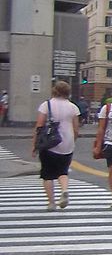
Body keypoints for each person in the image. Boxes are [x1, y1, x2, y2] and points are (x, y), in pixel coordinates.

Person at [31, 80, 80, 211]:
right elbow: (76, 128)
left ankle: (51, 202)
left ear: (54, 90)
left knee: (47, 174)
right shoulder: (73, 107)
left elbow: (39, 126)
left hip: (49, 143)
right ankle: (64, 190)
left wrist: (35, 145)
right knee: (63, 171)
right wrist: (73, 141)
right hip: (67, 143)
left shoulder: (46, 105)